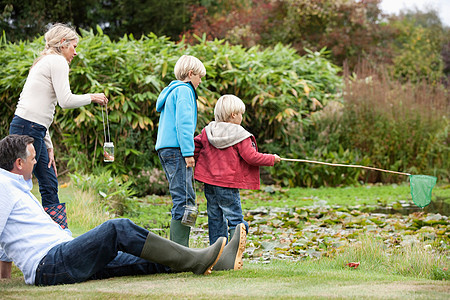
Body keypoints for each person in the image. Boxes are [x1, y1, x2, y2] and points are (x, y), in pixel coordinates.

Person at [0, 134, 247, 285]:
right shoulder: (3, 186)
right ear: (19, 163)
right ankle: (198, 259)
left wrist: (5, 275)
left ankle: (217, 261)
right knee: (116, 229)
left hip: (61, 257)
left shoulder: (15, 187)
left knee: (143, 259)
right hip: (51, 263)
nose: (36, 161)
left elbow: (5, 240)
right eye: (33, 158)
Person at [8, 23, 109, 228]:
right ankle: (50, 235)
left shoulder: (45, 61)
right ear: (63, 44)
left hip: (29, 128)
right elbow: (65, 101)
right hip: (28, 129)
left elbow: (41, 110)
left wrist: (49, 145)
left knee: (45, 182)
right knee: (26, 185)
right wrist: (93, 97)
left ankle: (55, 235)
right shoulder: (57, 62)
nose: (75, 52)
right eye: (74, 46)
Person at [194, 95, 281, 261]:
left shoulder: (208, 131)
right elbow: (251, 157)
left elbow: (195, 146)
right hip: (227, 184)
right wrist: (272, 159)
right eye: (241, 114)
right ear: (233, 115)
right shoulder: (239, 134)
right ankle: (233, 255)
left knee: (215, 216)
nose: (242, 117)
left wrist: (197, 162)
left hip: (210, 183)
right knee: (235, 218)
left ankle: (216, 254)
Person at [155, 55, 206, 247]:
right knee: (185, 200)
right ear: (191, 74)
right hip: (177, 150)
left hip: (167, 148)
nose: (200, 81)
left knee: (183, 197)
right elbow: (183, 124)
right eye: (200, 77)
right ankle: (179, 251)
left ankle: (180, 248)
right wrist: (188, 152)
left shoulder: (172, 91)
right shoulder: (185, 91)